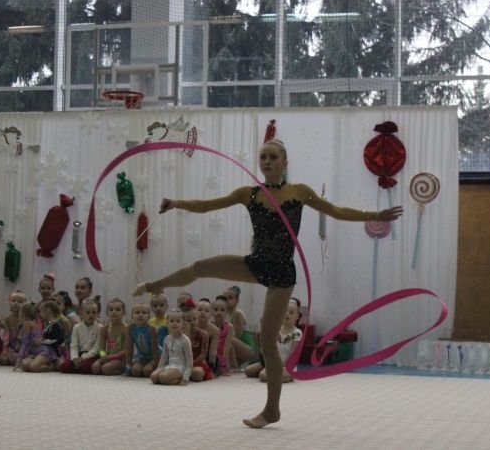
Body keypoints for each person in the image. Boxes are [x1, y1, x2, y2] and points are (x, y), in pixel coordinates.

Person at [133, 139, 402, 428]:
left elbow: (335, 211)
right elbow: (208, 205)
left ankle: (272, 409)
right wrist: (177, 203)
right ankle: (155, 285)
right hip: (256, 263)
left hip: (282, 273)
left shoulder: (299, 192)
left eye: (273, 157)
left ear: (285, 162)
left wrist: (375, 215)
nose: (267, 162)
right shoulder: (249, 194)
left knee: (268, 342)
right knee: (200, 267)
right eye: (263, 157)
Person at [246, 298, 302, 383]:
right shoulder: (276, 329)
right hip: (273, 363)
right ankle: (277, 375)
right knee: (249, 371)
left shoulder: (297, 333)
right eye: (285, 311)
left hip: (287, 365)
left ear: (297, 316)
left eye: (291, 313)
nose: (287, 314)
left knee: (263, 375)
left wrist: (282, 365)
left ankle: (287, 376)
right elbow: (270, 347)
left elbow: (293, 352)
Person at [150, 309, 193, 386]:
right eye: (172, 321)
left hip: (180, 367)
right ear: (167, 323)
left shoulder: (185, 340)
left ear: (183, 324)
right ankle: (166, 377)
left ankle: (179, 378)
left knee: (163, 378)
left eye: (178, 321)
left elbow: (189, 361)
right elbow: (164, 357)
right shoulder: (167, 339)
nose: (174, 323)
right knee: (153, 377)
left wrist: (185, 377)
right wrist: (159, 369)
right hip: (170, 365)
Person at [60, 298, 101, 374]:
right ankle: (78, 365)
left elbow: (97, 348)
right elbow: (74, 345)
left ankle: (79, 367)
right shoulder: (76, 327)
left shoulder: (100, 328)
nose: (91, 315)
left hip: (92, 355)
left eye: (94, 312)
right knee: (64, 366)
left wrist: (83, 358)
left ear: (97, 314)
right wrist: (75, 358)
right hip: (79, 354)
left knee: (84, 368)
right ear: (81, 313)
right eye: (88, 312)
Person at [24, 301, 65, 372]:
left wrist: (42, 342)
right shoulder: (47, 324)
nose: (39, 314)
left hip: (50, 352)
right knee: (25, 365)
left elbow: (59, 340)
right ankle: (49, 362)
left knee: (33, 367)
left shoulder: (56, 324)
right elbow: (45, 336)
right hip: (41, 350)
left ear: (48, 310)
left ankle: (52, 366)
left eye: (40, 311)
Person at [223, 286, 257, 369]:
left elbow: (237, 335)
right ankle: (232, 365)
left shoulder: (237, 313)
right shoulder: (226, 314)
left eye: (230, 298)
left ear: (237, 300)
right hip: (238, 349)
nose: (227, 301)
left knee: (225, 336)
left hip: (249, 350)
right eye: (224, 298)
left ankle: (233, 366)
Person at [92, 298, 126, 376]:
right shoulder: (104, 328)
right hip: (108, 357)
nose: (114, 312)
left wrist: (110, 357)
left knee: (105, 369)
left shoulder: (126, 328)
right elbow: (101, 348)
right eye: (111, 310)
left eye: (118, 310)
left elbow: (126, 351)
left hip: (121, 359)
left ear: (124, 312)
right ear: (107, 312)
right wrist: (103, 356)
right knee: (95, 368)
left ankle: (125, 370)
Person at [124, 303, 159, 378]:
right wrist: (128, 366)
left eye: (144, 313)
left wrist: (157, 365)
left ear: (149, 316)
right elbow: (129, 348)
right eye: (137, 312)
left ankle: (148, 367)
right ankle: (143, 367)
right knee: (135, 371)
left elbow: (155, 350)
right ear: (132, 316)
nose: (140, 315)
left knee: (147, 371)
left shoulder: (151, 329)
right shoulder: (130, 328)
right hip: (142, 356)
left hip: (154, 356)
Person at [181, 299, 212, 381]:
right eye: (188, 320)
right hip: (182, 363)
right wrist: (187, 335)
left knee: (197, 373)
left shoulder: (203, 334)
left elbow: (203, 354)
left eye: (195, 319)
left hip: (197, 363)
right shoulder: (179, 335)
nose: (192, 322)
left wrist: (192, 363)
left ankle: (187, 375)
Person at [0, 291, 26, 366]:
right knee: (3, 359)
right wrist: (4, 350)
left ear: (24, 304)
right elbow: (6, 337)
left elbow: (27, 339)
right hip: (12, 347)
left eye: (20, 302)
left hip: (23, 347)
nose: (16, 303)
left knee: (14, 359)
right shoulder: (8, 319)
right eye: (13, 301)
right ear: (9, 302)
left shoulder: (25, 319)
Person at [13, 302, 39, 371]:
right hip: (32, 351)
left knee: (24, 364)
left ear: (22, 314)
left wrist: (19, 360)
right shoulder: (31, 323)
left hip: (37, 351)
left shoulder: (27, 324)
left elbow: (24, 343)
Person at [212, 295, 233, 376]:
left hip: (222, 356)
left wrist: (223, 364)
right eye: (216, 310)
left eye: (222, 310)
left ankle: (224, 365)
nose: (219, 312)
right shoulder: (210, 325)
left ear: (226, 312)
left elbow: (227, 347)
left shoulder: (229, 326)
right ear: (211, 311)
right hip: (212, 356)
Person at [196, 298, 219, 368]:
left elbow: (213, 350)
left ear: (211, 314)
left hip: (207, 357)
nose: (203, 312)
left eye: (206, 311)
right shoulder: (192, 327)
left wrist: (212, 365)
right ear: (195, 312)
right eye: (200, 310)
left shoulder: (215, 330)